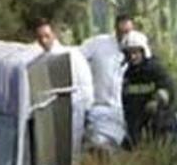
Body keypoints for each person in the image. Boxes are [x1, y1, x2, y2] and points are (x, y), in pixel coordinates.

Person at [33, 19, 94, 155]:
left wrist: (87, 109)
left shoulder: (72, 55)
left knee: (71, 148)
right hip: (47, 110)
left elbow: (85, 83)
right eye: (40, 37)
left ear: (53, 35)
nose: (43, 40)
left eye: (46, 36)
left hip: (73, 108)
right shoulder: (36, 58)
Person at [79, 15, 135, 151]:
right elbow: (77, 59)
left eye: (128, 32)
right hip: (99, 109)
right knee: (99, 144)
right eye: (122, 32)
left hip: (124, 111)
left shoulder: (137, 47)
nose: (125, 36)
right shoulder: (98, 44)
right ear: (115, 29)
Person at [119, 30, 177, 147]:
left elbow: (169, 90)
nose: (132, 56)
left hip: (161, 131)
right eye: (129, 53)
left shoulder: (155, 70)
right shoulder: (128, 75)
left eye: (136, 52)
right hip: (137, 132)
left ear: (144, 51)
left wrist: (157, 101)